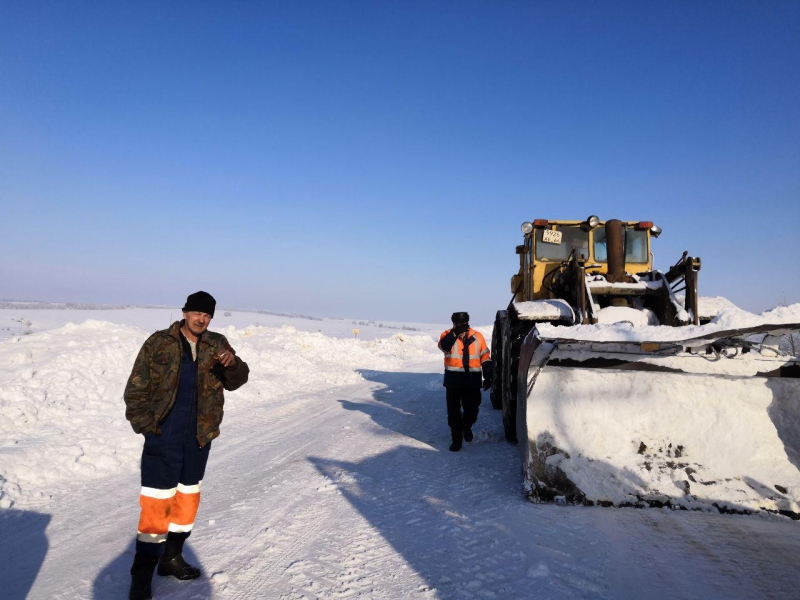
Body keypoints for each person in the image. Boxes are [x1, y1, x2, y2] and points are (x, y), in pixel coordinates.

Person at [124, 291, 249, 600]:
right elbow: (135, 389)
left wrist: (232, 365)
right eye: (196, 313)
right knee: (157, 504)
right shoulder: (159, 342)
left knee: (187, 500)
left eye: (207, 315)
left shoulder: (217, 344)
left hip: (198, 437)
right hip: (164, 435)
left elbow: (238, 379)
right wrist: (147, 428)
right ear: (184, 312)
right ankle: (141, 577)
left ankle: (172, 557)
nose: (201, 319)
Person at [437, 312, 492, 452]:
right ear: (453, 324)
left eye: (463, 323)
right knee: (453, 412)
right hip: (453, 379)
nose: (461, 326)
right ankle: (456, 440)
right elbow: (444, 346)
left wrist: (488, 374)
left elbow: (485, 356)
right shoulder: (447, 335)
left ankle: (466, 427)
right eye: (458, 324)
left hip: (472, 379)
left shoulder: (477, 336)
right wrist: (454, 333)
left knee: (472, 409)